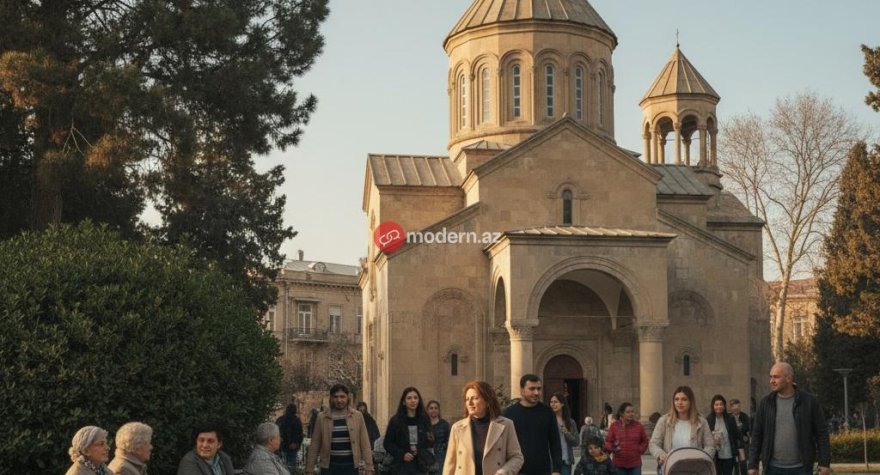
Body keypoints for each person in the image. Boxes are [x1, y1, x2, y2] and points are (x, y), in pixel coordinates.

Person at [747, 362, 830, 475]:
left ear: (788, 378)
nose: (771, 381)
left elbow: (822, 433)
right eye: (770, 377)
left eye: (776, 377)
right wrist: (752, 464)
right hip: (772, 468)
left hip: (802, 468)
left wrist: (824, 462)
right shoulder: (766, 403)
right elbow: (757, 435)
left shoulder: (809, 402)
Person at [442, 380, 523, 475]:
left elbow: (517, 457)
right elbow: (450, 464)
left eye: (475, 398)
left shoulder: (505, 425)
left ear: (487, 401)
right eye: (467, 399)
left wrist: (503, 472)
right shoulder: (457, 428)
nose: (470, 403)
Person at [306, 384, 375, 475]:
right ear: (331, 398)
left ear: (347, 398)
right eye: (336, 397)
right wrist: (309, 469)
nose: (339, 400)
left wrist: (369, 466)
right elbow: (315, 444)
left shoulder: (357, 416)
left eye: (342, 397)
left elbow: (365, 443)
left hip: (350, 467)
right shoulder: (322, 417)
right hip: (329, 467)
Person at [502, 374, 562, 475]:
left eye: (539, 389)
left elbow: (555, 443)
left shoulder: (547, 412)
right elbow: (503, 445)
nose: (536, 392)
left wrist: (557, 470)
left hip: (542, 470)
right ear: (522, 390)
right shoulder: (509, 414)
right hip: (516, 471)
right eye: (532, 389)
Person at [649, 386, 715, 469]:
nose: (679, 402)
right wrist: (661, 455)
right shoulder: (664, 421)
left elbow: (710, 446)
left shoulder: (701, 422)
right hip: (671, 468)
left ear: (691, 402)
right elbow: (653, 444)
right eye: (676, 399)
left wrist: (702, 458)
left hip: (695, 469)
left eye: (684, 399)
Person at [384, 387, 435, 475]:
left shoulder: (424, 419)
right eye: (409, 398)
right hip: (401, 466)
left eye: (415, 398)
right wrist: (402, 454)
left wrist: (429, 440)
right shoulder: (396, 421)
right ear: (404, 402)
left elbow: (429, 441)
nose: (413, 401)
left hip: (420, 465)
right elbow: (387, 443)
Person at [603, 402, 648, 475]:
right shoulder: (614, 426)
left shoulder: (638, 426)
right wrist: (613, 448)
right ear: (622, 413)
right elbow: (608, 441)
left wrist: (639, 449)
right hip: (619, 464)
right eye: (628, 412)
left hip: (635, 464)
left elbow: (645, 441)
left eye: (632, 412)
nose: (631, 414)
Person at [706, 395, 744, 475]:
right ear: (713, 406)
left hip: (728, 454)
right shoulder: (709, 419)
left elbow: (737, 435)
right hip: (715, 455)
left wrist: (740, 450)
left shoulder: (730, 418)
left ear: (724, 406)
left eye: (721, 404)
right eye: (716, 404)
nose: (719, 406)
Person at [549, 393, 578, 475]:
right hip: (551, 461)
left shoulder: (571, 422)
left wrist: (566, 433)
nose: (553, 404)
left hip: (566, 460)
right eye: (551, 402)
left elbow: (576, 442)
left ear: (562, 404)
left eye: (555, 402)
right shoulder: (547, 420)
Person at [276, 404, 304, 470]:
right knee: (291, 468)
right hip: (291, 447)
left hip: (281, 446)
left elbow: (275, 431)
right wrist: (296, 443)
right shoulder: (296, 420)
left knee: (280, 467)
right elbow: (299, 434)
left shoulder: (280, 419)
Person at [427, 400, 451, 474]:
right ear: (427, 410)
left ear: (439, 410)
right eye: (431, 408)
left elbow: (449, 441)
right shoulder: (424, 424)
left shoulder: (444, 424)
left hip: (441, 456)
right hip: (427, 456)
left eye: (436, 408)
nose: (433, 410)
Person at [728, 398, 750, 475]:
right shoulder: (728, 417)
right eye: (734, 407)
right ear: (731, 408)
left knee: (743, 461)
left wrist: (742, 428)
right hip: (731, 443)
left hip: (741, 443)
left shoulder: (744, 416)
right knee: (735, 463)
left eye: (738, 407)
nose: (736, 409)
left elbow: (748, 428)